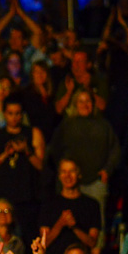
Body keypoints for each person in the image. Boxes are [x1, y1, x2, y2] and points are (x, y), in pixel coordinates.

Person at [47, 89, 119, 234]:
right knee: (68, 222)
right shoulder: (66, 125)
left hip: (96, 181)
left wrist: (107, 170)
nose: (85, 105)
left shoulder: (103, 125)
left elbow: (115, 150)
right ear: (75, 104)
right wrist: (63, 172)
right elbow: (54, 150)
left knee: (97, 224)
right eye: (81, 101)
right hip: (69, 182)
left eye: (88, 101)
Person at [0, 96, 45, 238]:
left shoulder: (33, 133)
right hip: (2, 197)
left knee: (28, 238)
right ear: (4, 114)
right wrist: (4, 154)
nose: (14, 117)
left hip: (28, 197)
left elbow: (42, 166)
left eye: (17, 113)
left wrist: (27, 151)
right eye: (10, 113)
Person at [38, 159, 100, 254]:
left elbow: (92, 242)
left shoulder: (91, 204)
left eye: (72, 171)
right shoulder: (49, 204)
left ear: (79, 175)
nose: (67, 176)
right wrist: (60, 224)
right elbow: (44, 242)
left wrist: (74, 227)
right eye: (64, 172)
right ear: (59, 176)